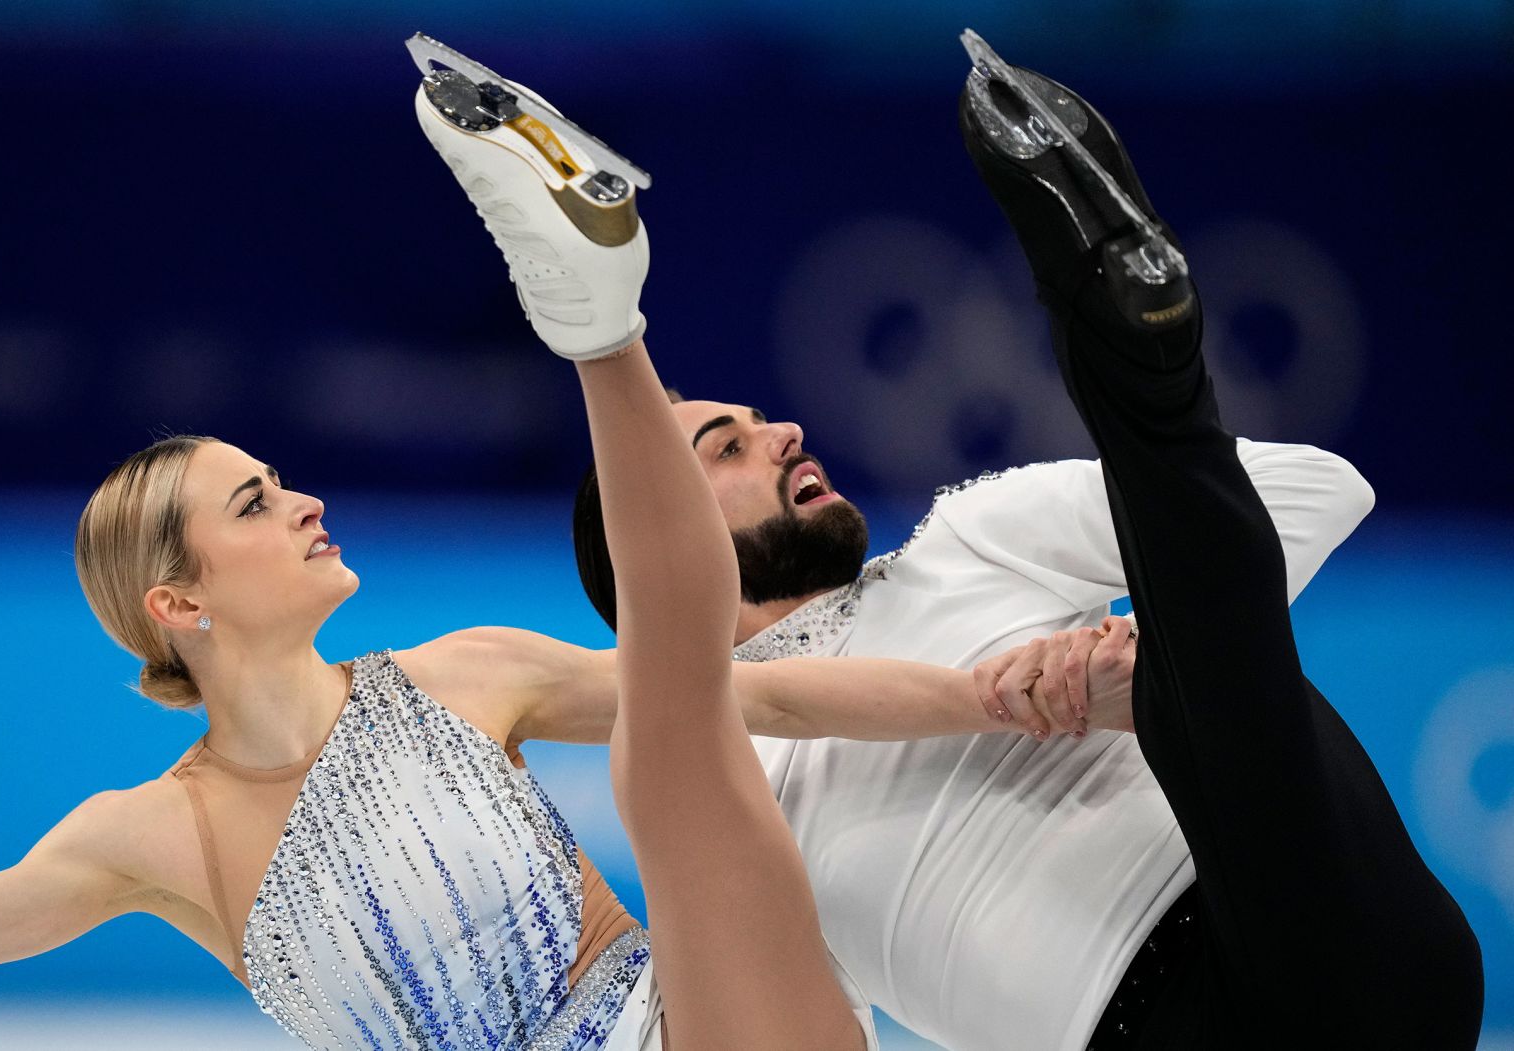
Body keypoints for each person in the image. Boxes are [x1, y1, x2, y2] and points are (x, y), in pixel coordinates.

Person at [0, 36, 1132, 1051]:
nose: (302, 505)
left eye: (281, 481)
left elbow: (776, 698)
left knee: (681, 700)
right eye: (252, 506)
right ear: (177, 604)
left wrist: (1006, 696)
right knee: (679, 695)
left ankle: (597, 316)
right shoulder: (141, 837)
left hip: (703, 1019)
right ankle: (593, 313)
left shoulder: (462, 676)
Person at [571, 32, 1483, 1051]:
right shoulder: (714, 782)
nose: (781, 430)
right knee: (1192, 639)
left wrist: (1124, 653)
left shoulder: (970, 535)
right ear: (653, 544)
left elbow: (1320, 490)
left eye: (757, 419)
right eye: (726, 445)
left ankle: (1130, 333)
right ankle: (1141, 376)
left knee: (1191, 638)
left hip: (1320, 906)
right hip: (1158, 1036)